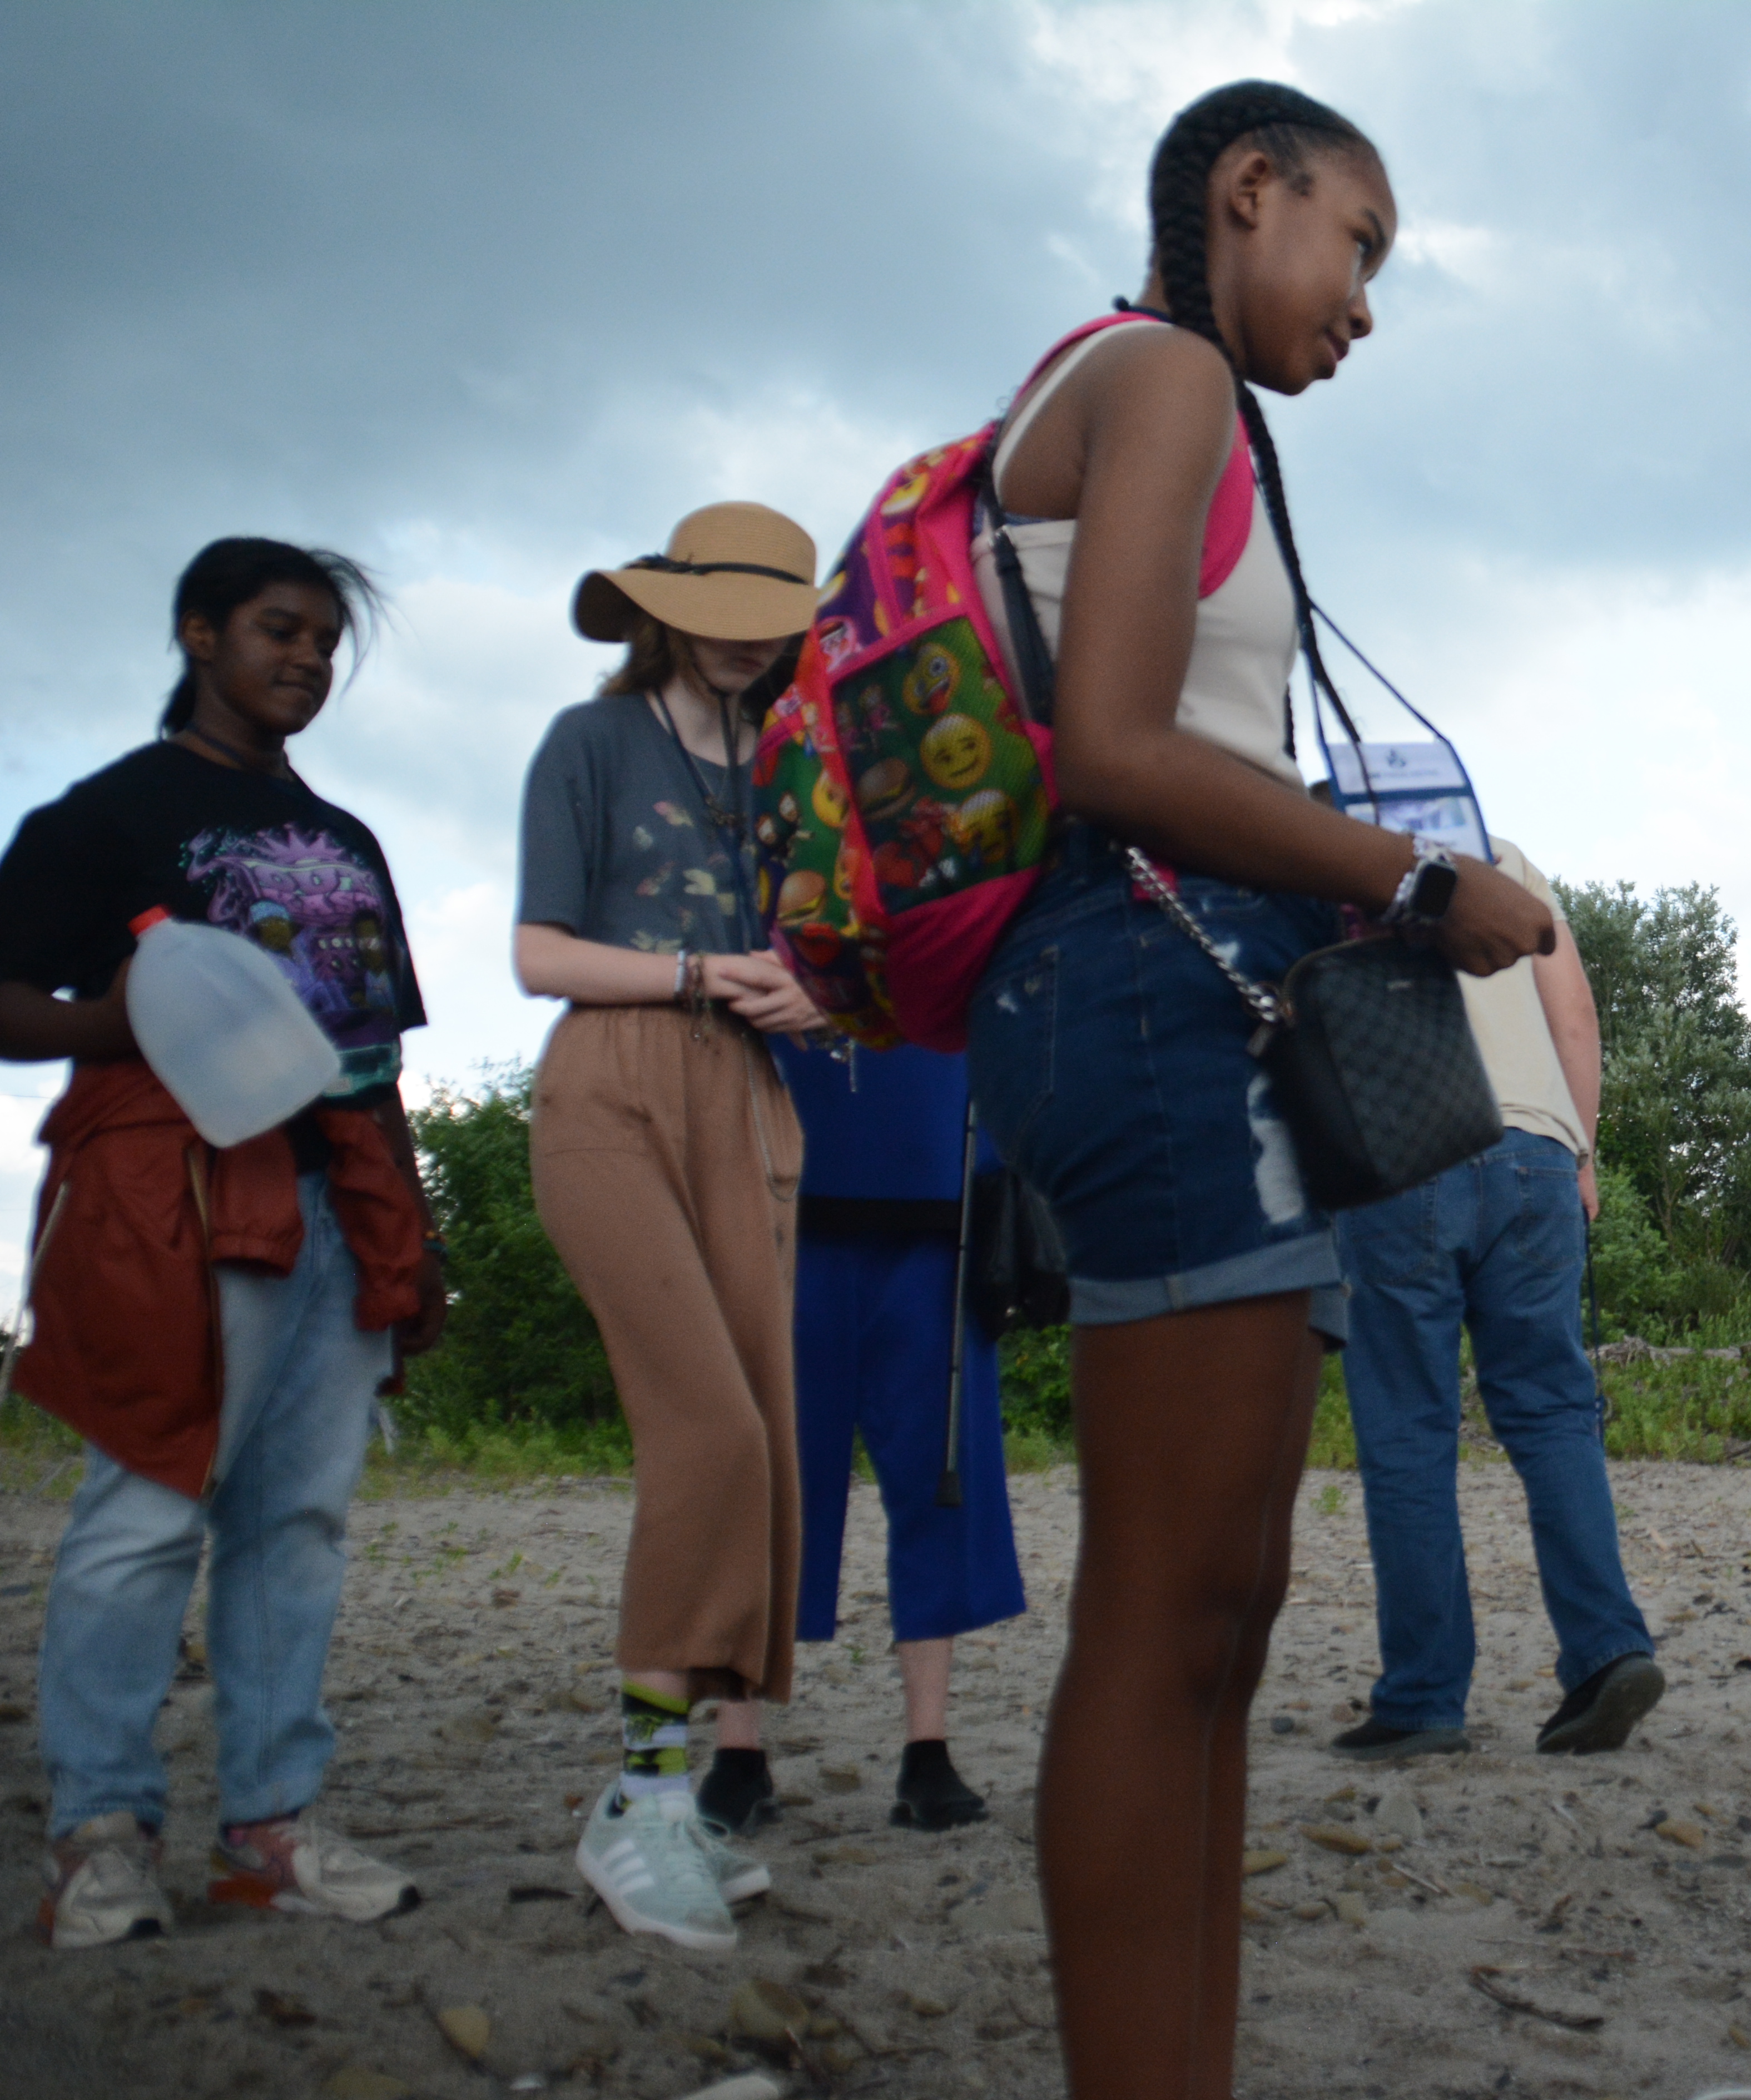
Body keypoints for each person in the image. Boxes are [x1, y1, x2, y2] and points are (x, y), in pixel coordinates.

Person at [958, 81, 1551, 2100]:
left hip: (1147, 990)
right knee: (1160, 1613)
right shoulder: (1165, 373)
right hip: (1135, 993)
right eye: (1362, 244)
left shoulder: (1157, 394)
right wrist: (1418, 885)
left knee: (1224, 1600)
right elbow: (1118, 752)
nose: (1369, 303)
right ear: (1247, 194)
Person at [2, 538, 440, 1945]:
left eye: (324, 640)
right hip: (179, 1195)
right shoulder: (109, 816)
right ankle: (101, 1835)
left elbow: (375, 1056)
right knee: (144, 1509)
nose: (306, 657)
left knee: (299, 1520)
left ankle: (268, 1828)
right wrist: (100, 1020)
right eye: (277, 629)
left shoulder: (352, 840)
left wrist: (411, 1235)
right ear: (200, 632)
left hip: (335, 1196)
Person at [514, 502, 823, 1951]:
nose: (752, 633)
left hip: (750, 1096)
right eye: (730, 602)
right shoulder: (591, 743)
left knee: (767, 1440)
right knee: (713, 1433)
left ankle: (682, 1787)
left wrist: (815, 991)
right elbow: (537, 952)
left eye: (779, 608)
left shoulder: (792, 766)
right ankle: (638, 1802)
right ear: (668, 602)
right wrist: (705, 967)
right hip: (613, 1085)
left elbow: (836, 949)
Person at [1327, 835, 1662, 1764]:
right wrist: (1582, 1152)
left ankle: (1425, 1697)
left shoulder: (1334, 850)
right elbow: (1577, 1016)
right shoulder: (1508, 861)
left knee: (1408, 1429)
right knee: (1555, 1410)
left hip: (1403, 1150)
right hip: (1537, 1152)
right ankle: (1608, 1652)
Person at [771, 1039, 1027, 1829]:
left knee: (941, 1475)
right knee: (767, 1476)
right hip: (781, 1193)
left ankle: (929, 1747)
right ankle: (739, 1749)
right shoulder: (745, 911)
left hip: (937, 1195)